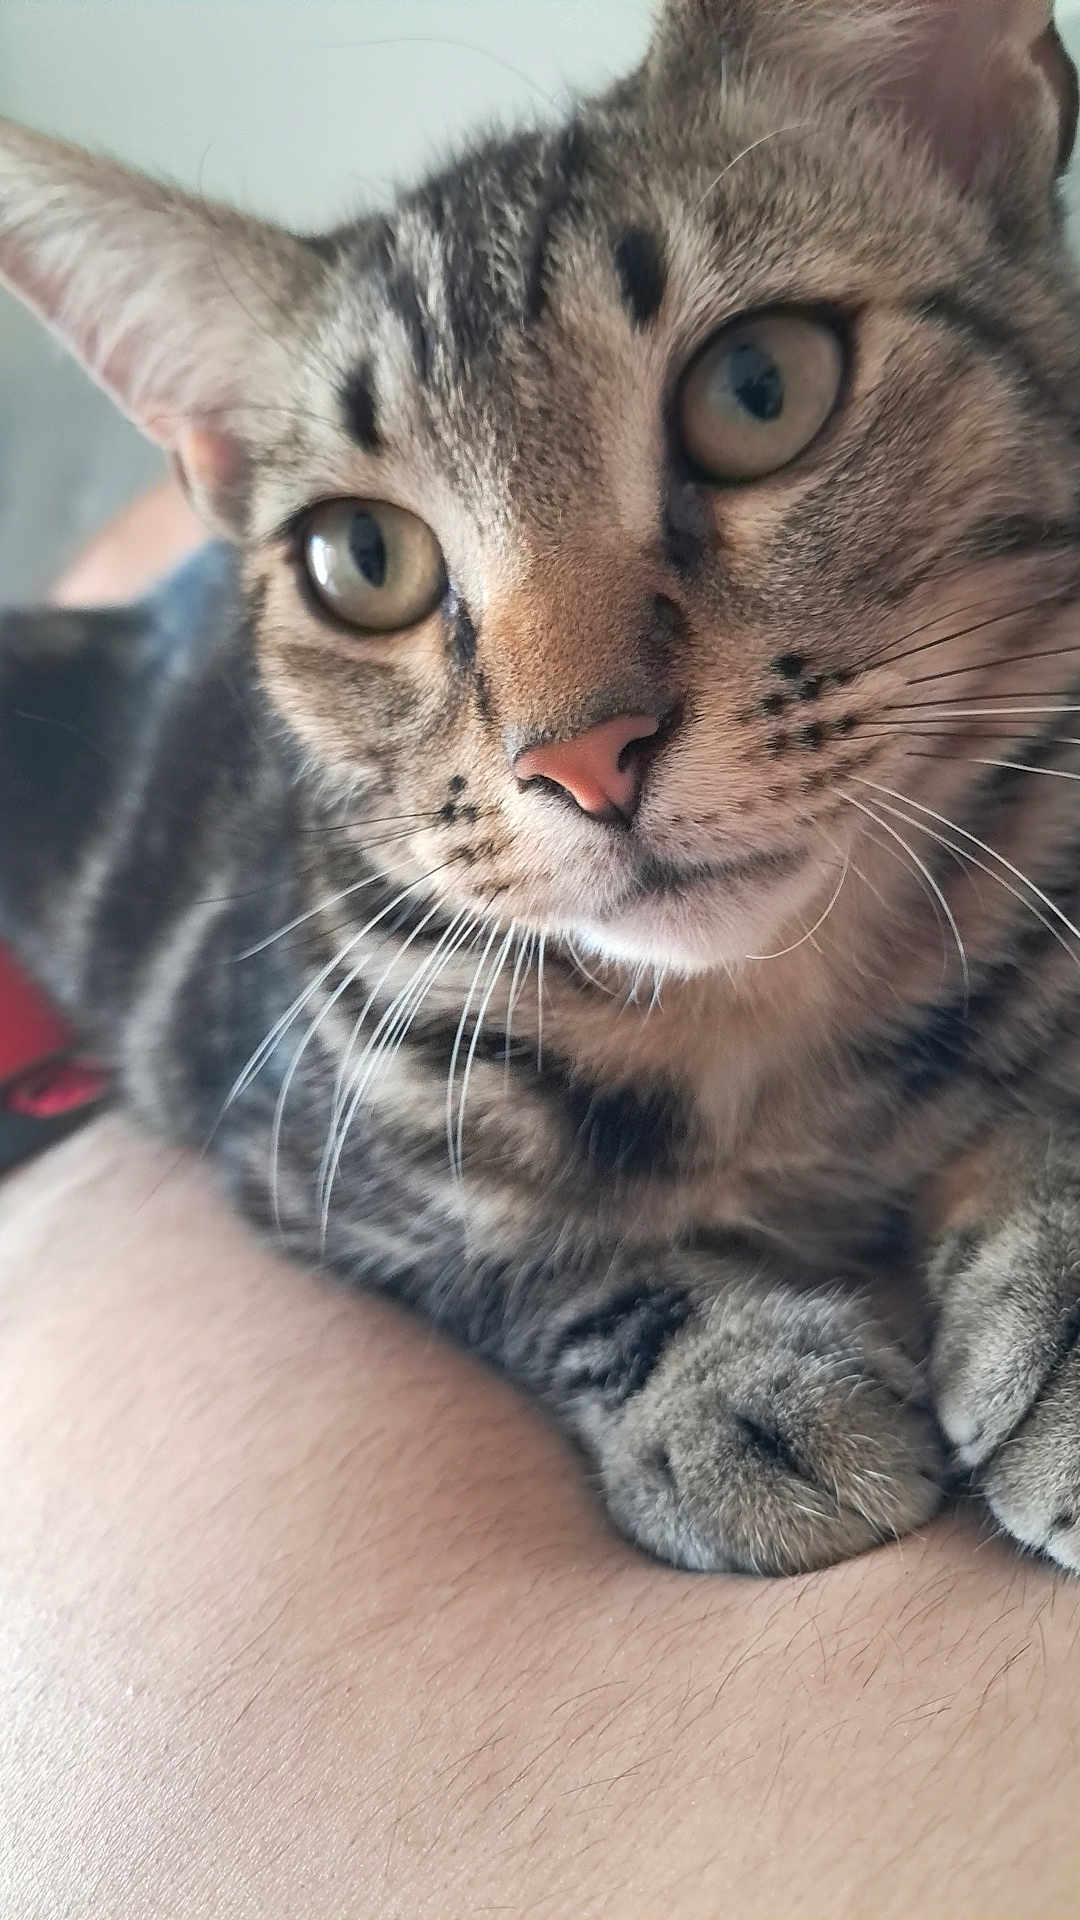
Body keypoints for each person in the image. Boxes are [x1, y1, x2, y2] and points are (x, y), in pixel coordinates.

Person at [1, 481, 1076, 1918]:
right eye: (369, 562)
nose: (577, 733)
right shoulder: (405, 1044)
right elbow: (303, 1169)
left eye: (755, 392)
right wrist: (620, 1330)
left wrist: (1027, 1176)